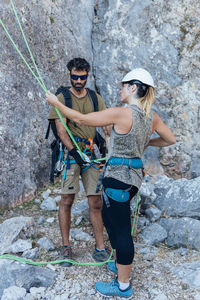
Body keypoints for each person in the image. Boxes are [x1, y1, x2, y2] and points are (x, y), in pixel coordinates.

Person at [46, 68, 176, 298]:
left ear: (133, 88)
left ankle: (123, 285)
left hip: (118, 177)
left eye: (124, 85)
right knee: (111, 220)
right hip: (132, 178)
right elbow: (170, 139)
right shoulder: (151, 117)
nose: (120, 89)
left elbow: (80, 118)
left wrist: (55, 102)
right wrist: (145, 143)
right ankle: (119, 265)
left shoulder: (121, 114)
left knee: (122, 229)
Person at [48, 57, 110, 267]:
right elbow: (61, 129)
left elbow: (106, 125)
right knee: (67, 199)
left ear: (87, 76)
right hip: (71, 156)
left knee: (95, 201)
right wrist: (74, 153)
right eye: (75, 76)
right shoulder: (61, 98)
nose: (78, 80)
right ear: (69, 75)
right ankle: (66, 246)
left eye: (82, 77)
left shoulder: (95, 98)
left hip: (91, 154)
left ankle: (100, 247)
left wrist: (109, 149)